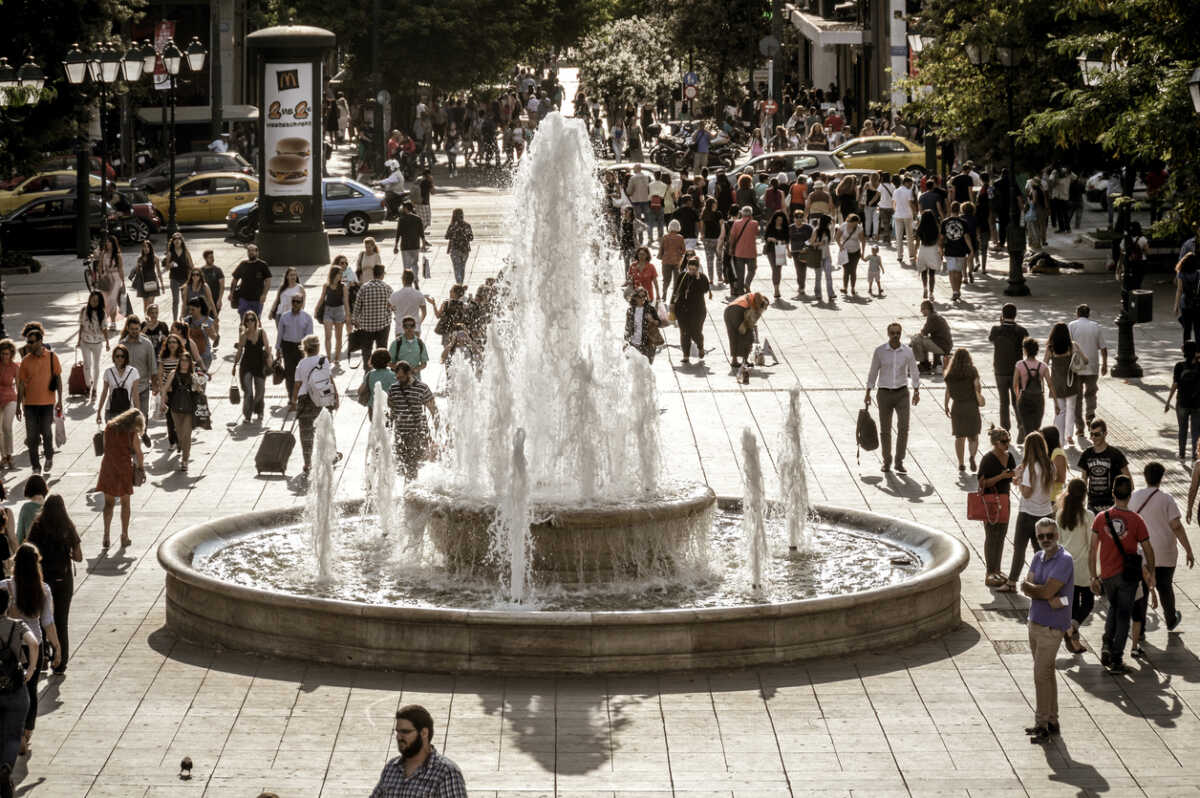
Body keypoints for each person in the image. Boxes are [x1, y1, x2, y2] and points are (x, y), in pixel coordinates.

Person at [1089, 476, 1155, 674]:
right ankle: (1116, 657)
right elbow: (1148, 548)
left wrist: (1093, 576)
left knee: (1113, 607)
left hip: (1108, 575)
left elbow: (1092, 549)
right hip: (1128, 576)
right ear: (1130, 494)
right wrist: (1151, 570)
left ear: (1113, 493)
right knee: (1124, 615)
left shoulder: (1101, 518)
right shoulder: (1136, 520)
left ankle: (1106, 645)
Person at [2, 544, 60, 758]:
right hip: (34, 643)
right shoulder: (43, 589)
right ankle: (26, 734)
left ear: (16, 564)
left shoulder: (4, 586)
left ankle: (14, 733)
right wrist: (57, 647)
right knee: (31, 692)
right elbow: (48, 622)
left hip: (10, 646)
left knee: (10, 690)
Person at [1020, 518, 1073, 742]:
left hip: (1053, 627)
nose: (1045, 540)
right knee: (1047, 673)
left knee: (1040, 676)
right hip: (1035, 622)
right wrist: (1039, 591)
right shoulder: (1037, 557)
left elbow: (1042, 591)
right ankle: (1052, 719)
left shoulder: (1064, 560)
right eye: (1041, 536)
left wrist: (1038, 590)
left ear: (1057, 535)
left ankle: (1041, 723)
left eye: (1050, 535)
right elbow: (1025, 585)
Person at [1131, 463, 1194, 634]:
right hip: (1165, 551)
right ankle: (1171, 618)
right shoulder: (1167, 499)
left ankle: (1140, 628)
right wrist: (1188, 550)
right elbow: (1176, 526)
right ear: (1162, 477)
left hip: (1143, 552)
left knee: (1142, 590)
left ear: (1145, 477)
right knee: (1165, 586)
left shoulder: (1135, 497)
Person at [23, 496, 80, 673]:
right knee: (61, 621)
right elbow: (79, 556)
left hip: (42, 580)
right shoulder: (68, 527)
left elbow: (29, 551)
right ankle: (61, 663)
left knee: (41, 619)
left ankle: (43, 658)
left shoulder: (37, 526)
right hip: (63, 580)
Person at [370, 704, 466, 798]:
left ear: (424, 733)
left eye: (405, 732)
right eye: (397, 732)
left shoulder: (446, 772)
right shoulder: (391, 768)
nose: (399, 737)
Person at [1000, 430, 1055, 594]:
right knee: (1041, 551)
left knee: (1019, 548)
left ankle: (1011, 582)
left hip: (1028, 514)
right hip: (1045, 513)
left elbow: (1026, 493)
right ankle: (1043, 581)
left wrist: (1019, 476)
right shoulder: (1049, 465)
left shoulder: (1030, 468)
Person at [865, 322, 921, 474]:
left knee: (904, 428)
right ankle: (886, 461)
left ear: (900, 334)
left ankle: (899, 461)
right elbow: (873, 372)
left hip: (902, 393)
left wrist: (916, 390)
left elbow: (914, 371)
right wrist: (868, 392)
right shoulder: (880, 351)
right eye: (892, 333)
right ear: (888, 334)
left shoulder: (907, 352)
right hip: (884, 393)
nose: (895, 335)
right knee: (885, 430)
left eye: (898, 333)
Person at [0, 587, 37, 794]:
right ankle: (6, 767)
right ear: (7, 605)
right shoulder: (17, 625)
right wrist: (31, 669)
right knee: (13, 735)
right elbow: (33, 643)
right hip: (15, 686)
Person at [94, 408, 143, 548]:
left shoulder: (109, 427)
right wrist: (141, 468)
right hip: (124, 469)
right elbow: (139, 453)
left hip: (108, 467)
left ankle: (106, 535)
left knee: (108, 504)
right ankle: (124, 535)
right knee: (125, 503)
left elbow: (105, 447)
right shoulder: (131, 433)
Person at [16, 326, 62, 476]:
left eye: (32, 342)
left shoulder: (52, 357)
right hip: (29, 405)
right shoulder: (25, 361)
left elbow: (58, 379)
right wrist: (18, 405)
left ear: (40, 342)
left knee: (47, 434)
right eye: (28, 342)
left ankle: (49, 457)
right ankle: (36, 467)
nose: (29, 344)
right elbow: (21, 384)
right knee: (31, 437)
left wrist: (60, 399)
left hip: (47, 403)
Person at [1057, 478, 1096, 654]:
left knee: (1072, 607)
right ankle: (1072, 630)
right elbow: (1091, 544)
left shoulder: (1060, 514)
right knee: (1087, 603)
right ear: (1084, 495)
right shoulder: (1088, 516)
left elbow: (1059, 541)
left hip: (1065, 566)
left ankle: (1073, 640)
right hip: (1083, 567)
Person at [294, 336, 339, 477]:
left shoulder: (301, 363)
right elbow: (329, 379)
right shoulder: (323, 360)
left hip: (305, 398)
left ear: (305, 348)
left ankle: (307, 463)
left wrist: (292, 401)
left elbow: (297, 384)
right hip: (323, 397)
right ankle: (331, 456)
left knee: (306, 433)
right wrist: (336, 396)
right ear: (318, 347)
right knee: (327, 428)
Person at [977, 428, 1017, 588]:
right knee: (991, 534)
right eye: (1004, 441)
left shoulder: (1010, 457)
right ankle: (989, 571)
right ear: (995, 443)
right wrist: (1001, 476)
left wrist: (1015, 476)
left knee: (1001, 535)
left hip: (1004, 499)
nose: (1008, 444)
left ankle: (997, 569)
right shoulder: (987, 459)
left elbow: (1013, 475)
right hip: (990, 500)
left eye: (1009, 440)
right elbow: (982, 483)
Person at [387, 361, 439, 479]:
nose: (399, 379)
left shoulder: (422, 388)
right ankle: (410, 485)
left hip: (416, 432)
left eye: (401, 376)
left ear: (409, 373)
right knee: (403, 462)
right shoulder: (393, 388)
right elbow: (391, 408)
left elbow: (433, 409)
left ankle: (410, 487)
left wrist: (437, 427)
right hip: (400, 432)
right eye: (397, 376)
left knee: (412, 463)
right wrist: (389, 426)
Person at [1066, 304, 1107, 437]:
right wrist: (1105, 364)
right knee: (1091, 394)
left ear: (1077, 313)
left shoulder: (1071, 325)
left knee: (1077, 398)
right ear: (1089, 314)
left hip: (1076, 368)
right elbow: (1103, 348)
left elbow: (1068, 346)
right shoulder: (1096, 326)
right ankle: (1090, 417)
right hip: (1092, 366)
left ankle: (1080, 427)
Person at [989, 304, 1029, 435]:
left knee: (1003, 402)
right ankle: (1021, 425)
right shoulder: (1021, 331)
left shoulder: (996, 330)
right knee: (1017, 399)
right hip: (1016, 370)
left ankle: (1005, 429)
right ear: (1015, 314)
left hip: (1000, 369)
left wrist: (1001, 323)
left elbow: (991, 340)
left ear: (1002, 314)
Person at [1077, 419, 1131, 513]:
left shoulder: (1116, 454)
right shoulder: (1086, 454)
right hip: (1092, 505)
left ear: (1105, 433)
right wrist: (1081, 502)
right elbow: (1084, 480)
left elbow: (1128, 480)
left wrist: (1123, 503)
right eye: (1091, 434)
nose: (1093, 437)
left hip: (1112, 505)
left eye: (1097, 434)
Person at [942, 348, 983, 472]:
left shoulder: (950, 374)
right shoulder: (972, 371)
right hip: (971, 406)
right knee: (973, 436)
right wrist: (978, 394)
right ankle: (972, 456)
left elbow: (948, 392)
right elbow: (977, 385)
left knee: (959, 437)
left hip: (957, 407)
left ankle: (961, 463)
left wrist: (946, 405)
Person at [1045, 321, 1085, 448]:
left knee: (1060, 411)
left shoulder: (1050, 348)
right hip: (1071, 382)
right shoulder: (1072, 346)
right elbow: (1086, 360)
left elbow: (1044, 364)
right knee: (1071, 409)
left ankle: (1059, 440)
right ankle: (1069, 435)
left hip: (1056, 383)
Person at [119, 317, 157, 445]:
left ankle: (144, 432)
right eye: (132, 329)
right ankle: (132, 441)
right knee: (129, 415)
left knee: (143, 413)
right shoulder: (122, 344)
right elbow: (118, 364)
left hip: (143, 386)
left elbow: (152, 365)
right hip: (127, 388)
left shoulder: (147, 344)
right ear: (127, 328)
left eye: (137, 329)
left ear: (140, 328)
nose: (134, 331)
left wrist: (155, 383)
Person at [352, 264, 395, 370]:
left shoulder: (364, 288)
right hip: (383, 325)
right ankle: (381, 370)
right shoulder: (387, 288)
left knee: (366, 351)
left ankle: (368, 372)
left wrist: (355, 320)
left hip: (366, 326)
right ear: (382, 275)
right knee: (382, 350)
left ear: (373, 274)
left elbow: (357, 307)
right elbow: (394, 306)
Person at [164, 353, 201, 473]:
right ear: (179, 362)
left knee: (187, 435)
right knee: (179, 434)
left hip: (189, 410)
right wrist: (162, 402)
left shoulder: (193, 376)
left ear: (190, 363)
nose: (184, 363)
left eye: (187, 360)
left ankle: (185, 461)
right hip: (175, 409)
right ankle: (179, 444)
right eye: (182, 360)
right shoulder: (173, 374)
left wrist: (197, 385)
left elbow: (199, 390)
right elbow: (165, 388)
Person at [670, 257, 711, 365]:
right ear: (687, 267)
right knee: (684, 332)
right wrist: (671, 303)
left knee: (695, 331)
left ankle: (700, 347)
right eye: (690, 269)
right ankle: (686, 355)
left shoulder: (702, 277)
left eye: (694, 269)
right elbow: (676, 290)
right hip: (682, 309)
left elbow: (705, 289)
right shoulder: (682, 276)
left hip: (698, 310)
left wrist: (698, 278)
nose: (692, 271)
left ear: (698, 268)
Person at [232, 311, 270, 425]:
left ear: (256, 321)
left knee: (260, 391)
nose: (250, 322)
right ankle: (247, 415)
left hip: (259, 364)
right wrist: (234, 364)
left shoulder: (262, 332)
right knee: (248, 391)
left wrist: (270, 361)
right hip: (246, 365)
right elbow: (239, 351)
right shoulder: (244, 335)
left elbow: (267, 347)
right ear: (245, 322)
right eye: (247, 320)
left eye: (252, 319)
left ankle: (258, 410)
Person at [276, 294, 314, 406]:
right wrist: (278, 348)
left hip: (301, 347)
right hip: (287, 346)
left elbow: (309, 336)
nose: (295, 304)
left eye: (298, 302)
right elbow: (280, 334)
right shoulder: (284, 316)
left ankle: (301, 395)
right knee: (289, 373)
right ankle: (291, 396)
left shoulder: (307, 317)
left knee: (302, 373)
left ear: (302, 303)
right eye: (294, 301)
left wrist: (307, 350)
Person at [1166, 341, 1200, 460]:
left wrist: (1168, 400)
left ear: (1184, 352)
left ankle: (1181, 453)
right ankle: (1195, 454)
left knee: (1182, 429)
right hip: (1197, 404)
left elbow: (1175, 384)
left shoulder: (1179, 366)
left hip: (1182, 402)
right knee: (1196, 430)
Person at [95, 344, 140, 424]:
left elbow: (135, 394)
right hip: (111, 410)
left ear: (126, 357)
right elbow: (104, 392)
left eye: (122, 356)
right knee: (112, 436)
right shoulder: (108, 372)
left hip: (128, 412)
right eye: (117, 356)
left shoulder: (133, 372)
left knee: (126, 436)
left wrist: (138, 413)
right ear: (113, 357)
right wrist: (99, 412)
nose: (120, 358)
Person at [78, 291, 110, 401]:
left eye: (96, 300)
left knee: (96, 366)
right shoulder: (84, 311)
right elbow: (81, 326)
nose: (94, 302)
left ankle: (95, 389)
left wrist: (107, 343)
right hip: (85, 342)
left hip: (97, 343)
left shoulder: (102, 313)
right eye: (92, 299)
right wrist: (78, 341)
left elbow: (105, 329)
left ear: (99, 302)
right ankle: (88, 385)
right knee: (87, 365)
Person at [1013, 338, 1047, 441]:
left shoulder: (1019, 365)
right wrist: (1056, 402)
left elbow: (1015, 384)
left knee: (1027, 426)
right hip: (1038, 398)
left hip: (1025, 397)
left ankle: (1028, 447)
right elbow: (1050, 384)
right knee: (1036, 426)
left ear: (1025, 350)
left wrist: (1018, 397)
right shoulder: (1043, 366)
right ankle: (1036, 447)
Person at [724, 292, 768, 370]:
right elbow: (750, 320)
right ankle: (745, 360)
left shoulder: (750, 296)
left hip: (728, 311)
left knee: (733, 335)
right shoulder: (759, 297)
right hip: (737, 310)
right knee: (748, 336)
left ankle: (734, 361)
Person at [314, 265, 350, 362]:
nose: (341, 276)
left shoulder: (343, 287)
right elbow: (322, 298)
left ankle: (337, 357)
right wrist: (316, 309)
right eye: (339, 274)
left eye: (341, 274)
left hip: (339, 311)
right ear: (334, 274)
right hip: (328, 311)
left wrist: (348, 317)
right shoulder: (326, 285)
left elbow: (346, 302)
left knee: (338, 336)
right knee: (328, 335)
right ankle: (329, 357)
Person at [940, 203, 975, 302]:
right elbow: (966, 237)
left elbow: (942, 238)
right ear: (959, 210)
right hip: (961, 250)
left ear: (950, 209)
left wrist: (940, 249)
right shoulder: (963, 222)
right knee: (958, 272)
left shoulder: (945, 222)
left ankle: (954, 291)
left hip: (949, 250)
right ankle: (958, 290)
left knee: (951, 272)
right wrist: (971, 249)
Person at [229, 245, 271, 320]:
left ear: (257, 252)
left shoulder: (262, 265)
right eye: (249, 251)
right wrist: (231, 293)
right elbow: (235, 280)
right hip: (244, 299)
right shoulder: (243, 264)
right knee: (243, 321)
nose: (251, 252)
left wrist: (264, 295)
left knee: (256, 321)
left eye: (253, 250)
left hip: (257, 299)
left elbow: (268, 281)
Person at [727, 206, 759, 296]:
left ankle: (740, 291)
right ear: (751, 214)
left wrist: (730, 248)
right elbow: (757, 233)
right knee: (752, 270)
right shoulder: (755, 223)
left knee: (740, 273)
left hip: (739, 251)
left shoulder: (736, 223)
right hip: (751, 252)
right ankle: (747, 283)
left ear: (741, 213)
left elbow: (732, 237)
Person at [389, 270, 429, 339]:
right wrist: (418, 323)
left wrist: (396, 314)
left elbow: (390, 306)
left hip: (400, 328)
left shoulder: (395, 295)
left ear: (403, 280)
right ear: (413, 280)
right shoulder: (419, 295)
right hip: (415, 329)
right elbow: (424, 313)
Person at [625, 289, 662, 363]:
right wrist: (626, 342)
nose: (642, 298)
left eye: (644, 296)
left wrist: (652, 320)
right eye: (640, 296)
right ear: (635, 297)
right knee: (634, 366)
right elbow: (627, 327)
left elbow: (659, 323)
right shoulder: (630, 310)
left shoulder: (650, 309)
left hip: (648, 342)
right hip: (634, 342)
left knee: (647, 365)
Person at [95, 234, 124, 327]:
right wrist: (100, 276)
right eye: (107, 242)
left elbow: (120, 269)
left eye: (109, 242)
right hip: (105, 277)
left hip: (115, 278)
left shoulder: (118, 255)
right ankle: (106, 319)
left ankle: (112, 321)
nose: (107, 243)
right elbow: (99, 266)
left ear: (113, 243)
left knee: (112, 300)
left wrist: (123, 282)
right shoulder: (104, 253)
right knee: (105, 301)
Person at [162, 233, 193, 321]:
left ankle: (184, 319)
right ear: (172, 241)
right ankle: (175, 320)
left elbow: (191, 266)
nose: (177, 241)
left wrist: (190, 279)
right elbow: (166, 268)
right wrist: (170, 265)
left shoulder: (186, 252)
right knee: (175, 301)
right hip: (174, 279)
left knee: (185, 301)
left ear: (181, 241)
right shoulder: (170, 253)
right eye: (175, 239)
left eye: (179, 239)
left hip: (184, 279)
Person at [393, 201, 426, 279]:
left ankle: (407, 281)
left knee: (406, 265)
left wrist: (396, 246)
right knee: (414, 263)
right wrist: (423, 244)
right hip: (415, 245)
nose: (402, 209)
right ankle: (415, 278)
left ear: (406, 208)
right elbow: (421, 233)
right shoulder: (418, 219)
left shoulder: (402, 219)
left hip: (405, 246)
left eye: (403, 208)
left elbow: (398, 234)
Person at [807, 214, 835, 304]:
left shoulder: (828, 231)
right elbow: (811, 243)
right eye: (828, 223)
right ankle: (818, 293)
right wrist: (819, 243)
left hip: (827, 256)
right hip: (818, 256)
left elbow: (829, 242)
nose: (829, 224)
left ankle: (831, 293)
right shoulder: (816, 231)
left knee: (828, 276)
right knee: (818, 277)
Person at [184, 297, 218, 370]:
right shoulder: (187, 320)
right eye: (189, 309)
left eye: (193, 309)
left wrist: (208, 332)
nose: (190, 312)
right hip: (190, 356)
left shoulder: (208, 321)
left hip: (204, 356)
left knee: (202, 379)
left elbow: (215, 338)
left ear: (199, 308)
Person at [915, 210, 941, 301]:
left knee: (923, 272)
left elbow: (917, 242)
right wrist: (941, 252)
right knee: (932, 274)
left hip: (923, 250)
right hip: (932, 250)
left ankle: (925, 288)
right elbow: (939, 240)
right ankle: (931, 293)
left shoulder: (920, 227)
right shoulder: (936, 228)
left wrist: (914, 254)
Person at [892, 176, 918, 266]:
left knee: (898, 236)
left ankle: (899, 255)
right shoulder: (908, 191)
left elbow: (894, 203)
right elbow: (911, 203)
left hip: (898, 215)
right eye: (910, 184)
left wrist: (896, 211)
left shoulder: (896, 191)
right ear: (906, 183)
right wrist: (915, 212)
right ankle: (911, 254)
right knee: (909, 236)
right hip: (907, 215)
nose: (911, 186)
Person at [1174, 253, 1200, 345]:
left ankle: (1187, 351)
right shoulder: (1198, 273)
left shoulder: (1181, 274)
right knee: (1197, 329)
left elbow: (1179, 290)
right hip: (1197, 304)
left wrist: (1176, 306)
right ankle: (1198, 351)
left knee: (1187, 329)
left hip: (1185, 303)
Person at [444, 209, 474, 285]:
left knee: (457, 268)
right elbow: (471, 238)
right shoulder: (467, 225)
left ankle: (459, 283)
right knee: (462, 268)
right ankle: (461, 283)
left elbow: (447, 236)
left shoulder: (452, 226)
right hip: (465, 250)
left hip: (455, 250)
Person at [132, 240, 163, 313]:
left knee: (150, 304)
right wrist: (138, 267)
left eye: (147, 247)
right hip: (143, 282)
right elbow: (137, 271)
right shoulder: (139, 259)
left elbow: (158, 271)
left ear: (150, 248)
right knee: (145, 304)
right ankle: (147, 321)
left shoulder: (155, 258)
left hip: (152, 282)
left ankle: (150, 319)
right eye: (144, 247)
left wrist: (162, 284)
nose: (146, 249)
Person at [14, 477, 46, 546]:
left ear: (28, 489)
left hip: (32, 548)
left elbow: (20, 534)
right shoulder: (50, 505)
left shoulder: (26, 508)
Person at [658, 220, 686, 297]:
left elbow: (661, 249)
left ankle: (664, 293)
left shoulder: (665, 237)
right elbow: (683, 251)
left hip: (666, 260)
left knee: (666, 280)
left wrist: (660, 256)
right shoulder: (680, 238)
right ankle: (675, 294)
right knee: (676, 280)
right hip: (677, 261)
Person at [1041, 425, 1069, 502]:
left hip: (1054, 498)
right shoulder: (1047, 452)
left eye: (1042, 438)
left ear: (1049, 439)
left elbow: (1061, 478)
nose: (1041, 441)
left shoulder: (1057, 453)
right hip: (1045, 497)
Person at [0, 341, 16, 470]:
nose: (5, 356)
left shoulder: (14, 367)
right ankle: (3, 456)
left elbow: (21, 384)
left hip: (10, 398)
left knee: (7, 427)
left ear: (11, 354)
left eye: (7, 354)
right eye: (3, 353)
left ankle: (10, 454)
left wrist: (21, 403)